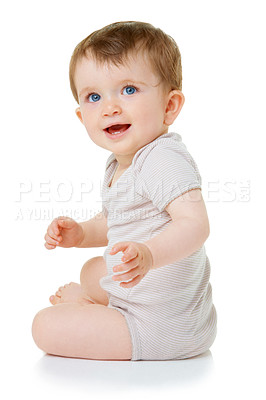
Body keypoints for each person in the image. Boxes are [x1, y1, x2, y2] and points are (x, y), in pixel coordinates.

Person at [32, 21, 217, 361]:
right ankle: (97, 307)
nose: (110, 107)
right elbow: (117, 220)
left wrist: (148, 255)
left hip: (158, 327)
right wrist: (82, 232)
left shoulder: (162, 158)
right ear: (80, 116)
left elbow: (195, 225)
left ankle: (94, 312)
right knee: (92, 270)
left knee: (44, 327)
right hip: (175, 314)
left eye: (129, 90)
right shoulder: (121, 162)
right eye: (94, 96)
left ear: (170, 106)